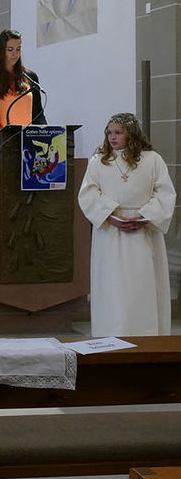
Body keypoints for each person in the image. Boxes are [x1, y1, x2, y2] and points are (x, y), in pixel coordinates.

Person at [77, 113, 175, 337]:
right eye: (109, 132)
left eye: (118, 132)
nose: (112, 137)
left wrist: (145, 217)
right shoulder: (99, 160)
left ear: (131, 133)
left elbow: (165, 192)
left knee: (142, 287)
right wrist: (110, 215)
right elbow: (88, 193)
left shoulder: (152, 160)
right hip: (110, 233)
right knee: (113, 288)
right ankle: (109, 334)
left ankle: (147, 336)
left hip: (144, 233)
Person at [0, 29, 46, 158]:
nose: (15, 54)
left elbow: (38, 114)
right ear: (1, 51)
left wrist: (43, 134)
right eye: (10, 49)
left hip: (25, 146)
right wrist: (2, 138)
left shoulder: (29, 77)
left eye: (18, 49)